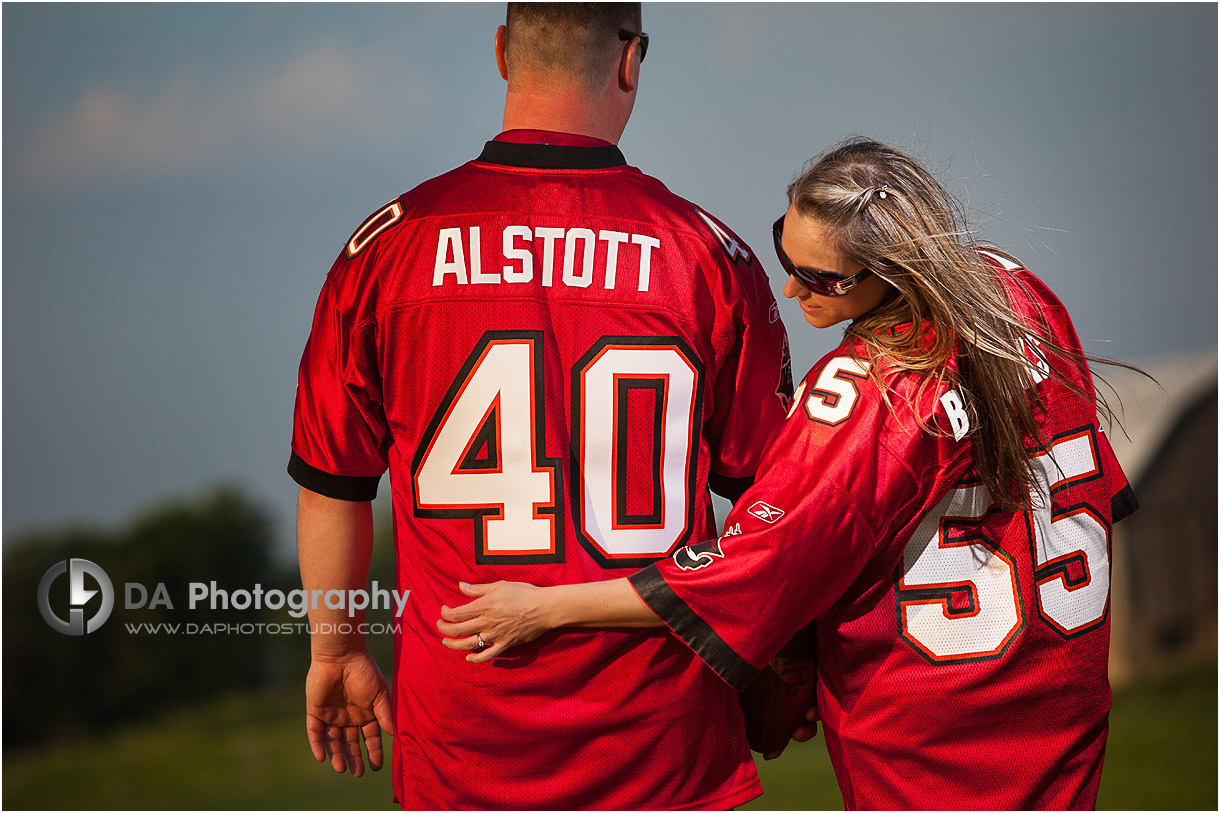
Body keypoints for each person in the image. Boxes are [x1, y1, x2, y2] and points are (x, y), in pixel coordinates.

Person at [438, 137, 1141, 810]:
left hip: (932, 743)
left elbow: (744, 569)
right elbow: (1098, 489)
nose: (790, 286)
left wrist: (546, 607)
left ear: (893, 271)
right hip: (1061, 712)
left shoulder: (869, 394)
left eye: (822, 277)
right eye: (786, 250)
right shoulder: (1017, 293)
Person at [288, 3, 793, 809]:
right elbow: (781, 505)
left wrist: (335, 646)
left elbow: (333, 484)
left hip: (464, 745)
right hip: (663, 745)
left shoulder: (384, 247)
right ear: (631, 62)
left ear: (501, 53)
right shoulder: (711, 256)